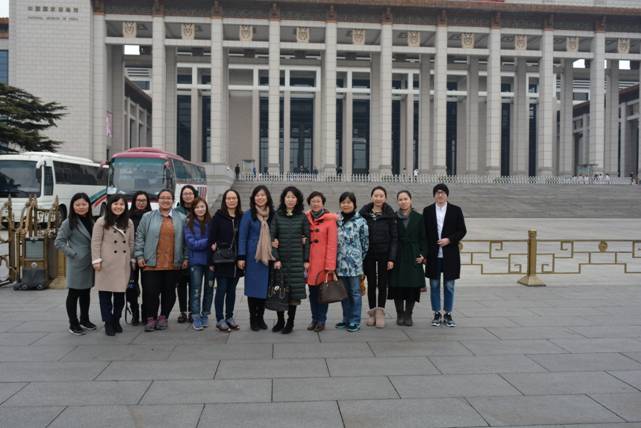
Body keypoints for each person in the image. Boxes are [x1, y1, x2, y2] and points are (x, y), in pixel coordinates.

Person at [135, 189, 188, 332]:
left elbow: (186, 241)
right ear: (158, 200)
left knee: (169, 292)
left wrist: (186, 257)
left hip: (173, 263)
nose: (165, 200)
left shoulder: (182, 218)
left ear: (173, 200)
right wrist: (139, 255)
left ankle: (164, 316)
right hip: (151, 262)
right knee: (150, 292)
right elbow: (140, 236)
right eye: (163, 198)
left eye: (168, 198)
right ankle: (150, 318)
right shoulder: (147, 217)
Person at [423, 183, 467, 328]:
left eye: (442, 192)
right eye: (437, 192)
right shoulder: (428, 210)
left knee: (449, 285)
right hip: (433, 254)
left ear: (447, 195)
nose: (440, 195)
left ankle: (448, 313)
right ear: (434, 195)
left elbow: (462, 230)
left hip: (450, 254)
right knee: (434, 284)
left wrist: (449, 240)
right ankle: (436, 313)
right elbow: (424, 233)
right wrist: (424, 254)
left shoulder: (455, 210)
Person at [91, 195, 135, 336]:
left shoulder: (129, 222)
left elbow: (131, 243)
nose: (118, 207)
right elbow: (96, 242)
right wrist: (96, 260)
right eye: (115, 204)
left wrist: (132, 259)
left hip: (122, 264)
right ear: (110, 205)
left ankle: (116, 319)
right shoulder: (101, 221)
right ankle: (108, 322)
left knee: (120, 296)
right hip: (106, 263)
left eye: (121, 204)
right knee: (105, 295)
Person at [54, 193, 96, 336]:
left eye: (84, 204)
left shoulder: (91, 221)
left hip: (89, 263)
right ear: (72, 206)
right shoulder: (68, 222)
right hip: (77, 263)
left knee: (86, 292)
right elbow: (59, 242)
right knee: (74, 293)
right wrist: (73, 254)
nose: (81, 207)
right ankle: (73, 323)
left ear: (89, 205)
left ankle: (85, 319)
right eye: (77, 205)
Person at [270, 186, 310, 334]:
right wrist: (276, 258)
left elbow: (308, 239)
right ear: (283, 199)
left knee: (294, 293)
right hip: (281, 261)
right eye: (288, 197)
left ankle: (290, 322)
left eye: (293, 197)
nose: (290, 200)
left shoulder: (302, 217)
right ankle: (280, 320)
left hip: (296, 261)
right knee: (279, 291)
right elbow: (272, 238)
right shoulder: (277, 216)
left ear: (297, 200)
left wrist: (306, 260)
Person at [359, 186, 398, 328]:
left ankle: (380, 312)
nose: (378, 198)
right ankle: (372, 313)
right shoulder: (364, 214)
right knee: (371, 283)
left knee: (382, 283)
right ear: (372, 197)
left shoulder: (390, 214)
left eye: (381, 196)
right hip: (369, 254)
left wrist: (391, 258)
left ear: (385, 198)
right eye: (376, 195)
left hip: (384, 253)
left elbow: (394, 237)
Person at [237, 185, 274, 331]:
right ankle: (253, 318)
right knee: (253, 289)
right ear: (253, 198)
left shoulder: (272, 214)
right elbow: (242, 237)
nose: (260, 198)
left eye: (263, 195)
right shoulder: (248, 215)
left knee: (264, 289)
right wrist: (241, 256)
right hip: (253, 257)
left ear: (267, 197)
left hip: (268, 256)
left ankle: (261, 317)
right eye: (257, 195)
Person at [389, 190, 426, 327]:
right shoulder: (393, 217)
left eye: (405, 199)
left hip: (413, 254)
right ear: (397, 201)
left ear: (411, 200)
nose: (403, 201)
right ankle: (400, 314)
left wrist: (423, 254)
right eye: (400, 199)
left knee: (412, 286)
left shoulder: (419, 217)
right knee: (397, 285)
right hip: (397, 254)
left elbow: (424, 238)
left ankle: (408, 314)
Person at [209, 189, 244, 332]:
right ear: (224, 200)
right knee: (221, 289)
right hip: (222, 260)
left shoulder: (242, 217)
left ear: (238, 200)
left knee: (231, 290)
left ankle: (229, 316)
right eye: (228, 198)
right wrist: (211, 262)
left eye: (234, 198)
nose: (231, 201)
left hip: (237, 260)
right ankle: (220, 319)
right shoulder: (218, 217)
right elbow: (211, 239)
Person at [304, 191, 337, 332]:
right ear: (309, 203)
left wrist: (330, 265)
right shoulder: (305, 218)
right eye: (313, 201)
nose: (315, 204)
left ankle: (322, 320)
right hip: (310, 263)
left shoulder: (330, 220)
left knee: (323, 293)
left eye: (318, 201)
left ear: (323, 203)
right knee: (312, 293)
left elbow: (332, 244)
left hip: (323, 263)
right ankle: (314, 319)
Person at [335, 192, 368, 332]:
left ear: (354, 204)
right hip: (340, 263)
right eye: (343, 202)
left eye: (349, 202)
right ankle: (346, 319)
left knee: (355, 292)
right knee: (344, 293)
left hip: (354, 264)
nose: (346, 205)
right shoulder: (337, 220)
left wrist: (358, 258)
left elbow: (365, 243)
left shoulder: (361, 221)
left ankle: (355, 320)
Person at [184, 197, 213, 331]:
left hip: (210, 262)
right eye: (197, 207)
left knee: (209, 289)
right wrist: (209, 241)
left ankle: (205, 314)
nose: (200, 209)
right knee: (195, 290)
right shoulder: (188, 224)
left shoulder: (211, 222)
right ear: (193, 210)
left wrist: (209, 242)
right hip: (196, 262)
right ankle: (195, 316)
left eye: (202, 206)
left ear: (206, 207)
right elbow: (192, 244)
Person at [127, 191, 151, 325]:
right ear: (134, 202)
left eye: (144, 200)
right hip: (131, 258)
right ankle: (134, 313)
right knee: (131, 287)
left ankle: (146, 313)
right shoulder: (127, 217)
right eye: (138, 200)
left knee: (148, 287)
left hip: (147, 257)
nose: (141, 203)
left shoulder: (152, 216)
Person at [175, 185, 197, 324]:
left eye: (190, 193)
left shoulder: (199, 209)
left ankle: (193, 311)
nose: (188, 196)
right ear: (181, 196)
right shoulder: (176, 212)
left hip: (195, 253)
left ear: (194, 195)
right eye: (185, 194)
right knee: (181, 285)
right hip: (180, 252)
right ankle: (183, 311)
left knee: (194, 285)